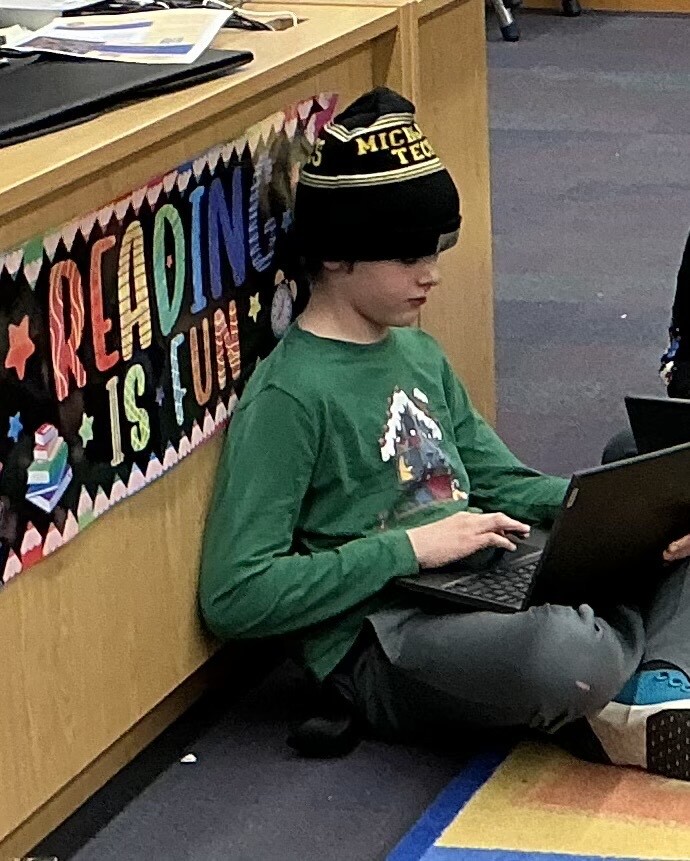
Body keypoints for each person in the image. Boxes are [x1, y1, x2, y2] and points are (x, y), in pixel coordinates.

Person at [199, 88, 690, 780]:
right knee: (562, 652)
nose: (430, 275)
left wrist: (620, 513)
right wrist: (408, 548)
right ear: (337, 256)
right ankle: (636, 671)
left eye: (434, 251)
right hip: (383, 635)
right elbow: (234, 593)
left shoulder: (416, 351)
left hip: (479, 578)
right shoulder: (290, 394)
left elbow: (501, 482)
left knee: (670, 492)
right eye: (408, 258)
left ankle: (646, 684)